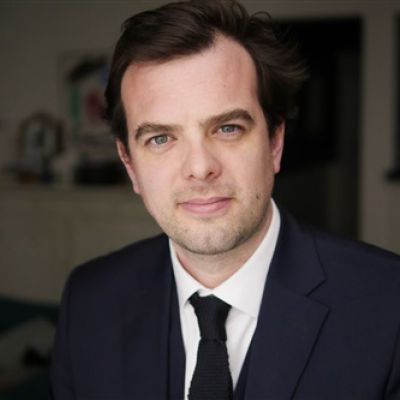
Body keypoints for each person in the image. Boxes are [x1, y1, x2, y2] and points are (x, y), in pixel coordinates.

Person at [50, 1, 400, 399]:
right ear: (129, 164)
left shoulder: (390, 304)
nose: (200, 168)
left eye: (228, 128)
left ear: (275, 143)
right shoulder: (89, 300)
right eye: (161, 138)